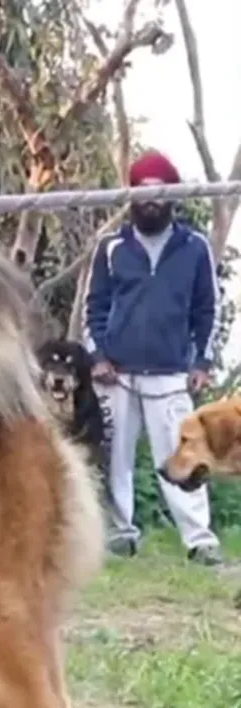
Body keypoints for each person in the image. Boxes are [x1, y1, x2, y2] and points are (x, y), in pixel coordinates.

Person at [83, 149, 223, 566]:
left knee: (185, 456)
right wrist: (99, 357)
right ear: (131, 197)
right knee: (115, 458)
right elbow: (95, 306)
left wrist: (202, 362)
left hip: (171, 374)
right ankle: (121, 535)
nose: (150, 200)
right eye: (142, 192)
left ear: (173, 196)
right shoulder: (110, 247)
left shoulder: (194, 247)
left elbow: (206, 309)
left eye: (159, 192)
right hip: (117, 373)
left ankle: (199, 541)